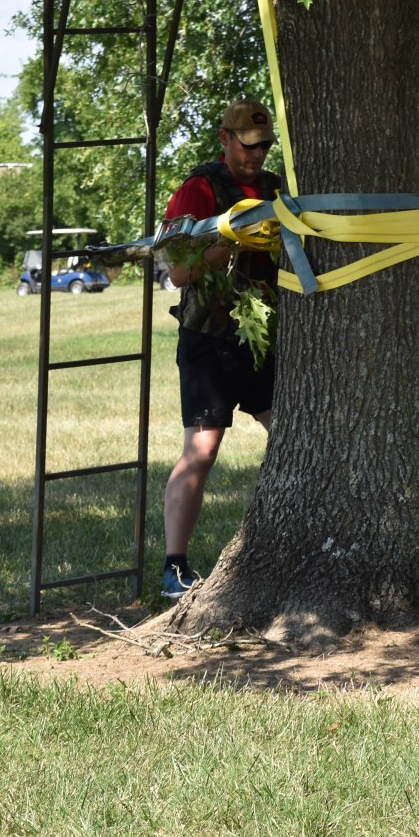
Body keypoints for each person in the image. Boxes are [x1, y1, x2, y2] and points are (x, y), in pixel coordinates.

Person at [158, 100, 283, 598]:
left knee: (294, 435)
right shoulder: (198, 190)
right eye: (248, 146)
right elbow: (178, 271)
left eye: (264, 146)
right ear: (225, 139)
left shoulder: (274, 188)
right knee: (202, 449)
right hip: (209, 339)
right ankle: (174, 567)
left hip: (262, 337)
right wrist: (235, 240)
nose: (256, 156)